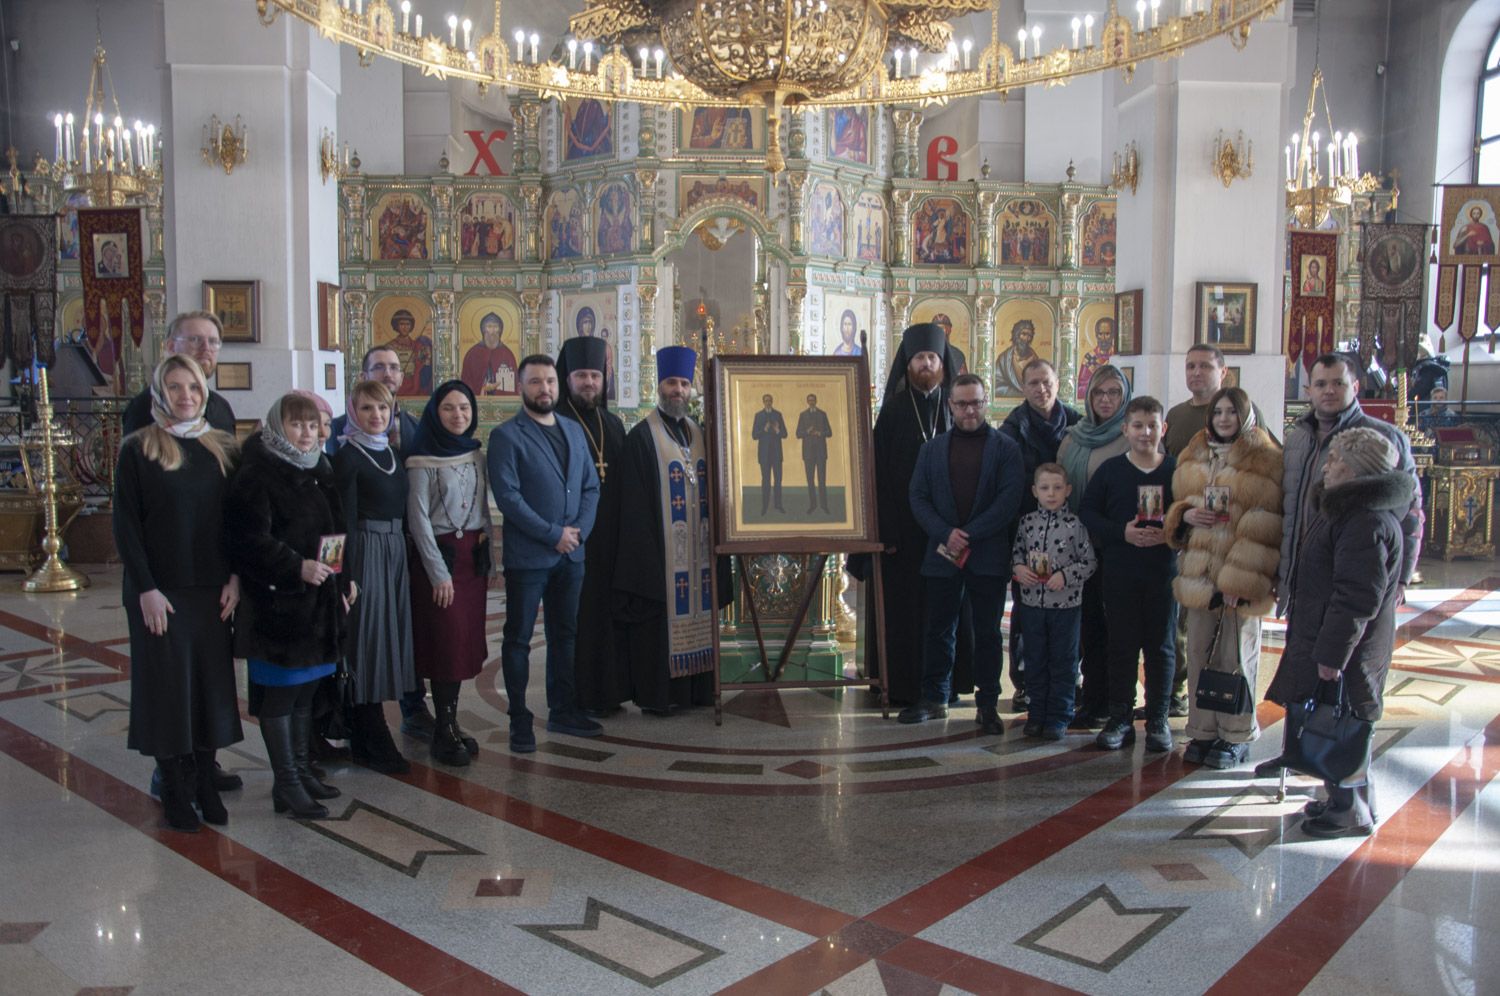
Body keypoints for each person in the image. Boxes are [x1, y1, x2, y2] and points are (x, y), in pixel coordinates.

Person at [114, 355, 242, 832]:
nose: (185, 394)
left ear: (204, 391)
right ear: (159, 392)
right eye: (174, 386)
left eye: (192, 386)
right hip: (159, 591)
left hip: (211, 589)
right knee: (168, 690)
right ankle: (173, 786)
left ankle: (204, 782)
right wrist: (145, 587)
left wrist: (235, 578)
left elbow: (235, 523)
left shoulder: (222, 448)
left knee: (210, 686)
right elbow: (125, 526)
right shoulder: (139, 449)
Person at [1266, 428, 1413, 837]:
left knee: (1344, 721)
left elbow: (1355, 597)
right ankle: (1342, 798)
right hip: (1336, 641)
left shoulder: (1364, 521)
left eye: (1336, 462)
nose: (1327, 467)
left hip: (1350, 649)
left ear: (1359, 472)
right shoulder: (1348, 511)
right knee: (1338, 718)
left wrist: (1332, 656)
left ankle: (1350, 810)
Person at [225, 392, 351, 818]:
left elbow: (336, 530)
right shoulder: (257, 472)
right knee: (280, 694)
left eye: (313, 425)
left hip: (319, 603)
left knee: (305, 691)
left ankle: (302, 768)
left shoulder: (320, 466)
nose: (306, 433)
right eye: (296, 425)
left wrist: (342, 581)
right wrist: (296, 567)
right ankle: (287, 783)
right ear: (278, 426)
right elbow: (248, 540)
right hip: (277, 607)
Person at [1163, 387, 1282, 769]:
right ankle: (1202, 730)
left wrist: (1238, 582)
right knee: (1199, 653)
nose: (1224, 418)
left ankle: (1235, 734)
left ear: (1245, 415)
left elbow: (1263, 524)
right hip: (1199, 574)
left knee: (1235, 657)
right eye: (1218, 412)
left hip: (1238, 573)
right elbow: (1178, 505)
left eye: (1232, 412)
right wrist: (1184, 515)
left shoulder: (1263, 458)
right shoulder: (1194, 452)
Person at [612, 346, 733, 714]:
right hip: (662, 557)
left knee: (700, 612)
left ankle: (696, 691)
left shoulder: (700, 433)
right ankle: (659, 695)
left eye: (683, 383)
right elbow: (632, 507)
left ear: (692, 387)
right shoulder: (641, 438)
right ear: (659, 387)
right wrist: (647, 563)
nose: (677, 390)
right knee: (659, 626)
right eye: (670, 383)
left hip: (698, 551)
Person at [489, 355, 602, 749]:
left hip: (572, 556)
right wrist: (554, 534)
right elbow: (509, 498)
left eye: (551, 381)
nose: (545, 389)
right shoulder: (507, 436)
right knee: (518, 638)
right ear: (521, 387)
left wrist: (578, 534)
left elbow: (590, 487)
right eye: (536, 382)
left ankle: (563, 709)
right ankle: (519, 718)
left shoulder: (573, 430)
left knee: (565, 634)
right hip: (530, 557)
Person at [901, 374, 1024, 734]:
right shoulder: (932, 449)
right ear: (950, 405)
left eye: (976, 403)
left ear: (986, 403)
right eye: (962, 404)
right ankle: (935, 696)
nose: (970, 410)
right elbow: (917, 497)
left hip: (986, 554)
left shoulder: (1005, 449)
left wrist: (968, 534)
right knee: (939, 628)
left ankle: (987, 704)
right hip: (942, 553)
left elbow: (1008, 501)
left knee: (987, 632)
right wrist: (945, 533)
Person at [857, 323, 971, 705]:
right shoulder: (892, 414)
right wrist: (886, 532)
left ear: (943, 363)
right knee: (903, 613)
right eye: (919, 357)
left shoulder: (956, 412)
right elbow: (878, 478)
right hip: (903, 537)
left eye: (932, 357)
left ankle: (944, 686)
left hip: (949, 535)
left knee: (945, 614)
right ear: (907, 364)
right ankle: (901, 686)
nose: (926, 364)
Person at [328, 346, 428, 738]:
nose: (377, 415)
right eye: (368, 409)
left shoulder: (400, 440)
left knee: (395, 631)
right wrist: (341, 574)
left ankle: (410, 710)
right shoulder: (343, 448)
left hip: (396, 551)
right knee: (365, 635)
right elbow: (340, 521)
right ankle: (362, 723)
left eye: (383, 410)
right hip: (364, 551)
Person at [1279, 353, 1422, 619]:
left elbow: (1409, 511)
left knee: (1345, 651)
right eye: (1321, 384)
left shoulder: (1384, 438)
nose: (1329, 390)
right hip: (1303, 575)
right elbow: (1289, 508)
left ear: (1355, 387)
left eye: (1338, 383)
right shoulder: (1296, 439)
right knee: (1301, 654)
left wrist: (1402, 577)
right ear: (1310, 390)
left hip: (1356, 574)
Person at [1080, 396, 1177, 753]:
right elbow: (1088, 513)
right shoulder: (1110, 471)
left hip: (1163, 572)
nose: (1145, 432)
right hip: (1120, 571)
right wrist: (1123, 532)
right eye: (1138, 425)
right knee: (1121, 646)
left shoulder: (1175, 471)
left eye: (1152, 425)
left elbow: (1188, 517)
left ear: (1162, 429)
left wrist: (1171, 530)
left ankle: (1157, 719)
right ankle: (1120, 717)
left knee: (1161, 648)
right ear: (1126, 429)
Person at [406, 380, 492, 767]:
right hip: (438, 559)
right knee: (445, 642)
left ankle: (452, 723)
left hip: (470, 559)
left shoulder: (475, 454)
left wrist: (488, 554)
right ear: (435, 413)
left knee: (463, 643)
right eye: (449, 409)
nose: (458, 415)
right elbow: (418, 520)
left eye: (464, 408)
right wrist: (438, 573)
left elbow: (482, 507)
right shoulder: (420, 458)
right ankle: (442, 730)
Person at [1000, 358, 1082, 710]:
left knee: (1071, 614)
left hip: (1071, 533)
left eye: (1046, 381)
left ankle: (1069, 681)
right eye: (1032, 383)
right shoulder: (1012, 429)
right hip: (1029, 532)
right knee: (1028, 613)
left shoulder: (1079, 425)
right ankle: (1027, 682)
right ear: (1023, 388)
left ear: (1057, 381)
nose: (1040, 389)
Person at [555, 336, 630, 717]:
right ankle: (574, 698)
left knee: (606, 618)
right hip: (571, 542)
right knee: (575, 622)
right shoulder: (556, 424)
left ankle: (607, 692)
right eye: (581, 375)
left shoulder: (613, 425)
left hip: (610, 544)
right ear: (566, 378)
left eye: (595, 375)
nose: (589, 382)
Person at [1057, 364, 1132, 728]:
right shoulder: (1072, 438)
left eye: (1114, 393)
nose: (1105, 400)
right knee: (1087, 626)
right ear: (1089, 397)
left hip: (1116, 547)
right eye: (1099, 393)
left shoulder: (1131, 436)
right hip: (1076, 548)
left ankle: (1115, 700)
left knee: (1117, 627)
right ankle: (1091, 697)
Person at [1011, 463, 1097, 739]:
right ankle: (1036, 714)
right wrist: (1018, 569)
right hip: (1032, 605)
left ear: (1068, 490)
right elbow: (1016, 555)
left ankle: (1059, 716)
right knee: (1035, 659)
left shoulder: (1076, 525)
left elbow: (1089, 562)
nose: (1051, 494)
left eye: (1057, 488)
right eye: (1045, 488)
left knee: (1063, 660)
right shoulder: (1026, 523)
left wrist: (1065, 575)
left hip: (1066, 606)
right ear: (1035, 491)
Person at [122, 311, 236, 435]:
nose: (206, 348)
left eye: (213, 341)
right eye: (195, 339)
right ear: (171, 347)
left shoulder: (222, 408)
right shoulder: (145, 407)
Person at [328, 346, 422, 457]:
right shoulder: (338, 426)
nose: (387, 374)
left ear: (401, 378)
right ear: (363, 377)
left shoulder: (416, 426)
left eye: (394, 367)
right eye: (379, 367)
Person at [459, 312, 518, 397]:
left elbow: (513, 385)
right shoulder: (472, 354)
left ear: (500, 329)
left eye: (495, 327)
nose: (492, 331)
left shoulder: (507, 354)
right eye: (489, 326)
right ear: (483, 329)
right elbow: (466, 382)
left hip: (502, 403)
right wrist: (483, 388)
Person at [796, 393, 833, 514]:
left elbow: (829, 432)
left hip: (821, 452)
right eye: (809, 400)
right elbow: (798, 434)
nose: (811, 402)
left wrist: (820, 433)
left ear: (816, 401)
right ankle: (812, 505)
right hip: (808, 453)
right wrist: (807, 431)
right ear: (807, 401)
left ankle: (824, 506)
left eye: (813, 400)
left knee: (822, 480)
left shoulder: (823, 414)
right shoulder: (803, 415)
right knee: (810, 480)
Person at [751, 393, 788, 515]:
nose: (768, 402)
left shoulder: (778, 415)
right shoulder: (758, 415)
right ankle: (765, 506)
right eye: (766, 400)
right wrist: (764, 429)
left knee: (778, 480)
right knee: (765, 480)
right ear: (763, 402)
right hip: (764, 455)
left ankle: (778, 505)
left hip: (777, 454)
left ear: (772, 401)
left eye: (769, 400)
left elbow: (785, 434)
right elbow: (754, 435)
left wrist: (778, 430)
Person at [993, 319, 1039, 396]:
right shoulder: (1004, 359)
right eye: (1024, 334)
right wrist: (1015, 393)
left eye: (1029, 336)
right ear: (1016, 335)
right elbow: (997, 385)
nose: (1026, 339)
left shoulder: (1034, 358)